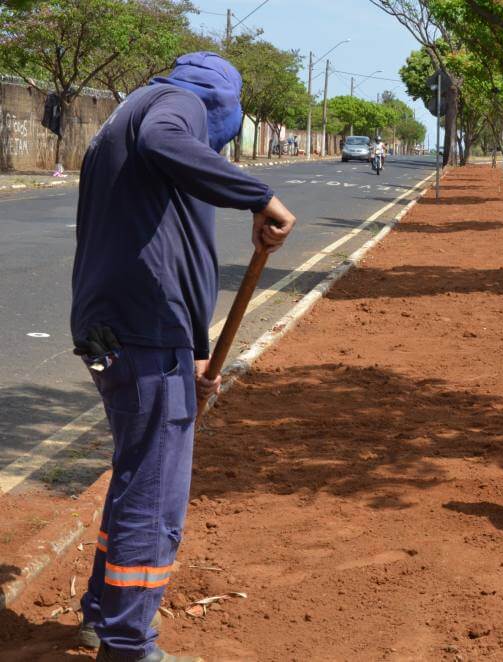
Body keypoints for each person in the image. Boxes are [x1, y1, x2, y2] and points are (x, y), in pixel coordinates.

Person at [70, 52, 296, 661]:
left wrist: (192, 352)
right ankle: (128, 645)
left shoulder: (127, 114)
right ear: (221, 100)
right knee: (155, 491)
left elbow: (162, 238)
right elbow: (167, 138)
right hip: (143, 333)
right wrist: (258, 196)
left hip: (125, 331)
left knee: (136, 473)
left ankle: (102, 616)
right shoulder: (180, 106)